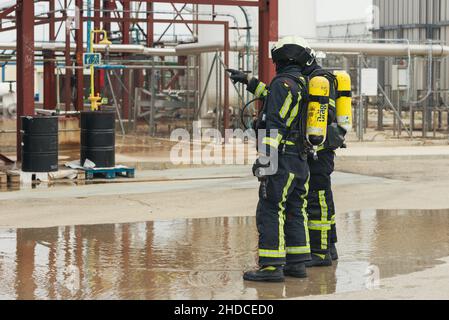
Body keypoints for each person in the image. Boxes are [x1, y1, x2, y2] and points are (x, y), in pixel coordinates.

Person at [228, 40, 344, 274]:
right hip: (300, 160)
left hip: (282, 157)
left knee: (270, 208)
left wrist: (265, 159)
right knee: (295, 209)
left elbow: (276, 123)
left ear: (280, 60)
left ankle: (271, 268)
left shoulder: (283, 84)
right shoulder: (303, 85)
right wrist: (249, 81)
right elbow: (276, 98)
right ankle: (297, 264)